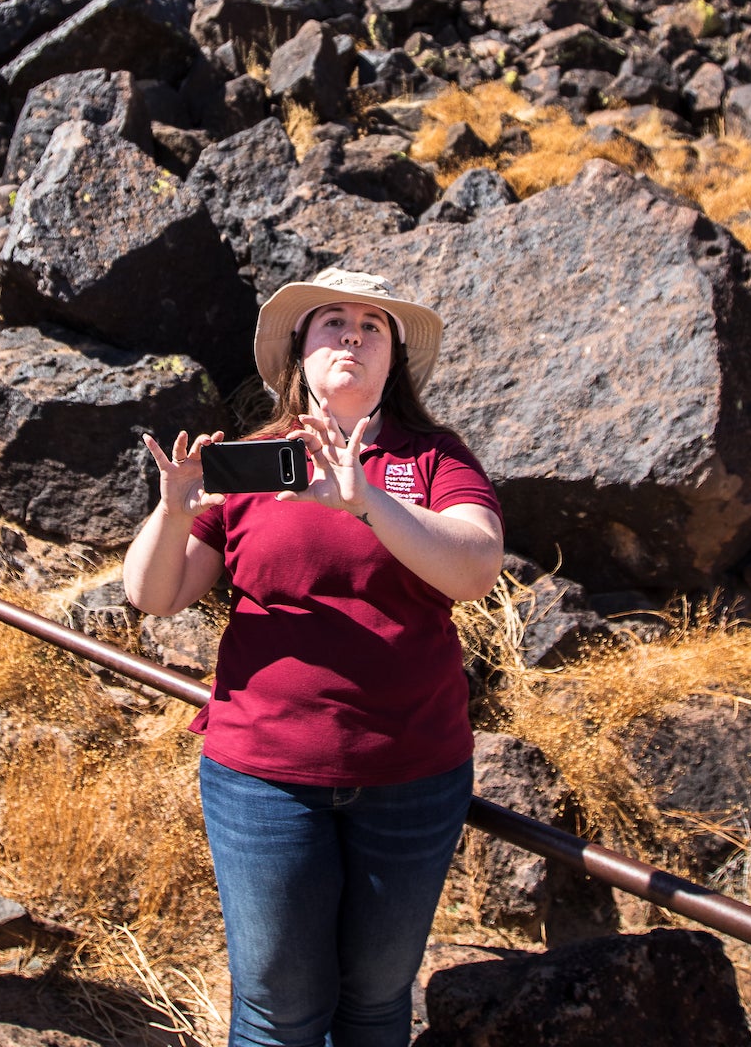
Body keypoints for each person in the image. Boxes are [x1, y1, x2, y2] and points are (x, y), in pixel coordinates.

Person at [123, 267, 505, 1047]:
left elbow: (473, 570)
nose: (352, 336)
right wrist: (172, 510)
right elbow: (156, 595)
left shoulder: (432, 459)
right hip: (264, 777)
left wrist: (366, 498)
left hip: (412, 773)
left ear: (392, 359)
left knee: (374, 998)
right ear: (300, 352)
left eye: (372, 326)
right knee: (276, 1007)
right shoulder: (251, 462)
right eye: (332, 321)